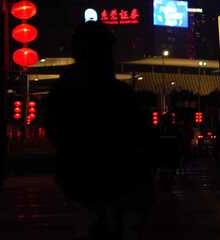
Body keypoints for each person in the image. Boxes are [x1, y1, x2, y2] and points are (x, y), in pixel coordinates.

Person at [44, 22, 153, 239]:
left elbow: (55, 132)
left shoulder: (62, 91)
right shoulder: (120, 93)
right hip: (116, 177)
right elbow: (138, 136)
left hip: (78, 176)